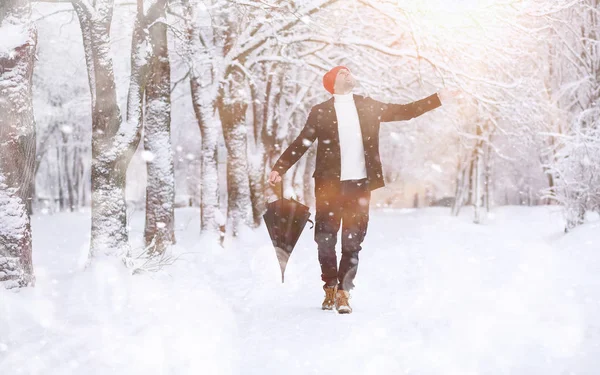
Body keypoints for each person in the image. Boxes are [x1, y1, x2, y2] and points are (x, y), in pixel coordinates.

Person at [268, 66, 459, 314]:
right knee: (325, 239)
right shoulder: (321, 112)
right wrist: (280, 167)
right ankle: (330, 286)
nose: (349, 74)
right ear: (332, 83)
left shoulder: (368, 106)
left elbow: (406, 112)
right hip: (328, 185)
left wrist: (438, 98)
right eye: (342, 72)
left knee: (353, 240)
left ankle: (344, 293)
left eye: (349, 71)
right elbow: (302, 141)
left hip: (359, 185)